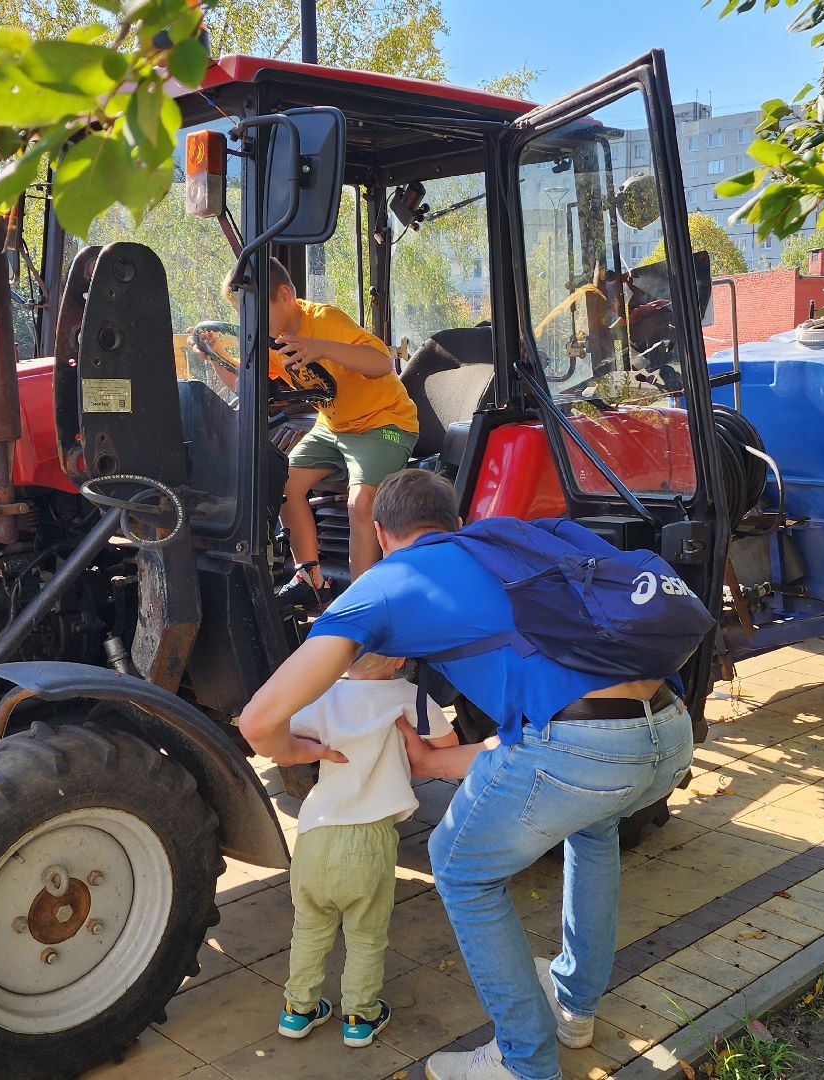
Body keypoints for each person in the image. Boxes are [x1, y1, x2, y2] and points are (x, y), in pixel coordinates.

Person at [239, 469, 696, 1080]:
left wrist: (292, 751)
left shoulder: (389, 582)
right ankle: (574, 1007)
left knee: (459, 868)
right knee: (592, 829)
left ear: (380, 532)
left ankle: (525, 1063)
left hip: (584, 751)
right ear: (456, 523)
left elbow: (259, 721)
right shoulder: (513, 539)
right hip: (668, 731)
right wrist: (434, 763)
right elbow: (545, 735)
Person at [275, 650, 457, 1050]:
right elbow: (449, 743)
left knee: (310, 927)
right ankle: (359, 1017)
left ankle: (298, 1009)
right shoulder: (410, 697)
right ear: (398, 659)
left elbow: (279, 736)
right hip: (370, 838)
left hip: (315, 833)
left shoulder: (324, 698)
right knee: (365, 934)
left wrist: (320, 749)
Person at [225, 258, 419, 607]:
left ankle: (361, 603)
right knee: (282, 483)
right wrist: (215, 357)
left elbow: (380, 363)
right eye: (244, 313)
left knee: (361, 502)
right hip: (333, 428)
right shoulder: (271, 341)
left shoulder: (324, 320)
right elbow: (247, 387)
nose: (250, 321)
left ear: (285, 296)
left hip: (384, 424)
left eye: (255, 310)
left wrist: (322, 348)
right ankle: (309, 578)